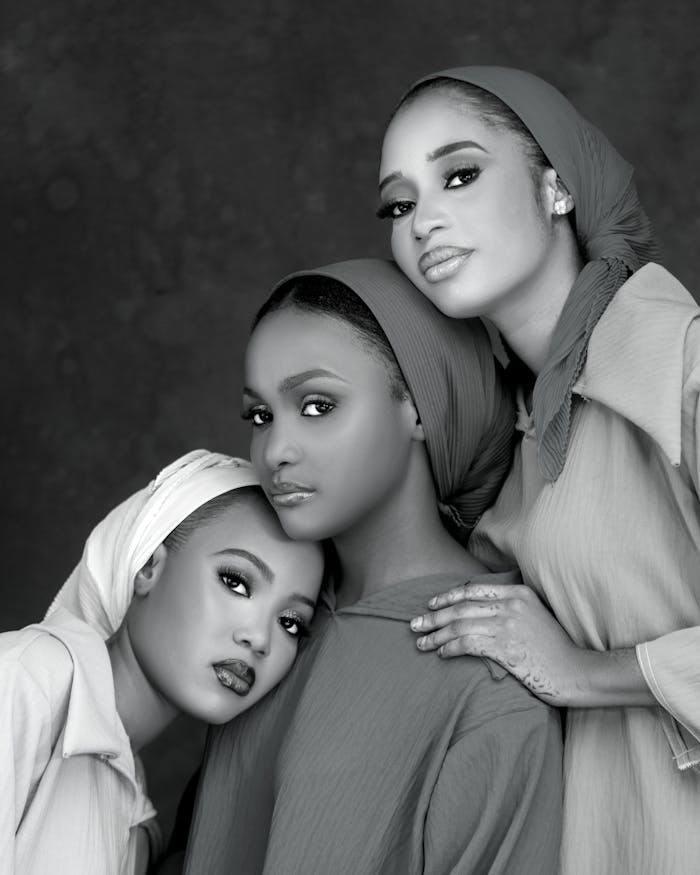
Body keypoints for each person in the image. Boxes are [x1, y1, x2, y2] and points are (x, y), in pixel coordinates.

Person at [378, 65, 700, 874]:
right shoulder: (515, 445)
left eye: (459, 174)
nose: (424, 221)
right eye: (400, 202)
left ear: (555, 187)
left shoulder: (681, 364)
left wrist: (583, 673)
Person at [183, 260, 563, 875]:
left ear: (418, 407)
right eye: (260, 416)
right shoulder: (264, 623)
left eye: (316, 405)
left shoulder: (489, 678)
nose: (275, 451)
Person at [0, 449, 324, 875]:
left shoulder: (137, 822)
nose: (259, 638)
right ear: (148, 566)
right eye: (237, 582)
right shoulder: (29, 675)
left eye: (290, 622)